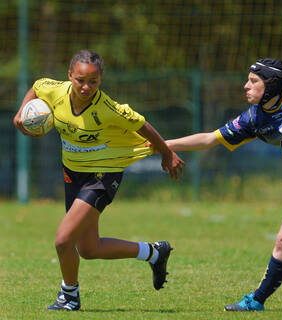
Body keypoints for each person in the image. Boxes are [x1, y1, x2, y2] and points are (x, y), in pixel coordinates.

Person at [13, 49, 185, 311]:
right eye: (80, 80)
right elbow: (37, 86)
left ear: (100, 80)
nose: (85, 86)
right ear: (70, 75)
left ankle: (69, 296)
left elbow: (143, 125)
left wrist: (167, 152)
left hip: (103, 175)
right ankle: (153, 252)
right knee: (89, 249)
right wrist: (21, 113)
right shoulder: (55, 90)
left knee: (63, 240)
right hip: (73, 173)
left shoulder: (108, 108)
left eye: (93, 82)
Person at [163, 58, 282, 311]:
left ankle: (257, 300)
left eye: (253, 81)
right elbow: (208, 139)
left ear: (271, 84)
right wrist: (164, 144)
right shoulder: (254, 118)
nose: (245, 86)